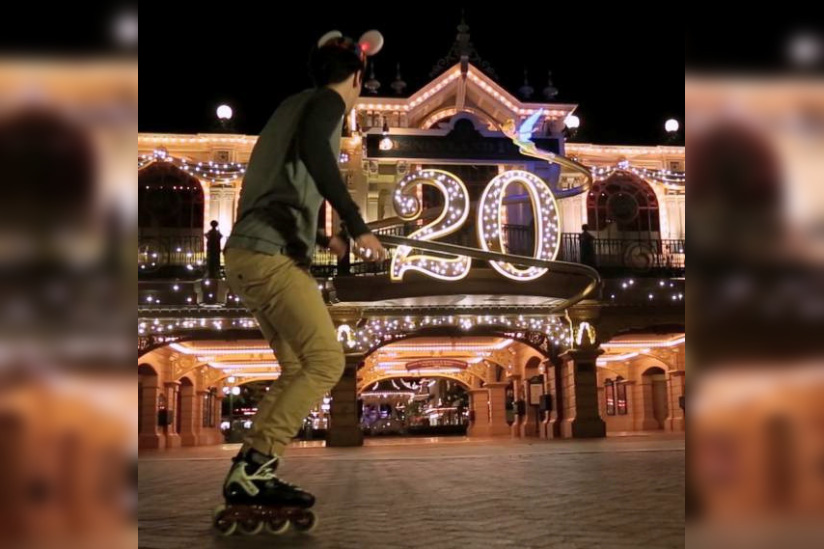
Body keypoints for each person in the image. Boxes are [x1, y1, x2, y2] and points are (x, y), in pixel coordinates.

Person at [220, 30, 386, 511]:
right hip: (270, 258)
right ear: (358, 76)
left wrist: (320, 237)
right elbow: (318, 156)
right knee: (327, 361)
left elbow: (275, 190)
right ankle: (255, 467)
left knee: (296, 366)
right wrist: (356, 227)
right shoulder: (328, 106)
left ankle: (251, 471)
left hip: (249, 254)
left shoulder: (289, 108)